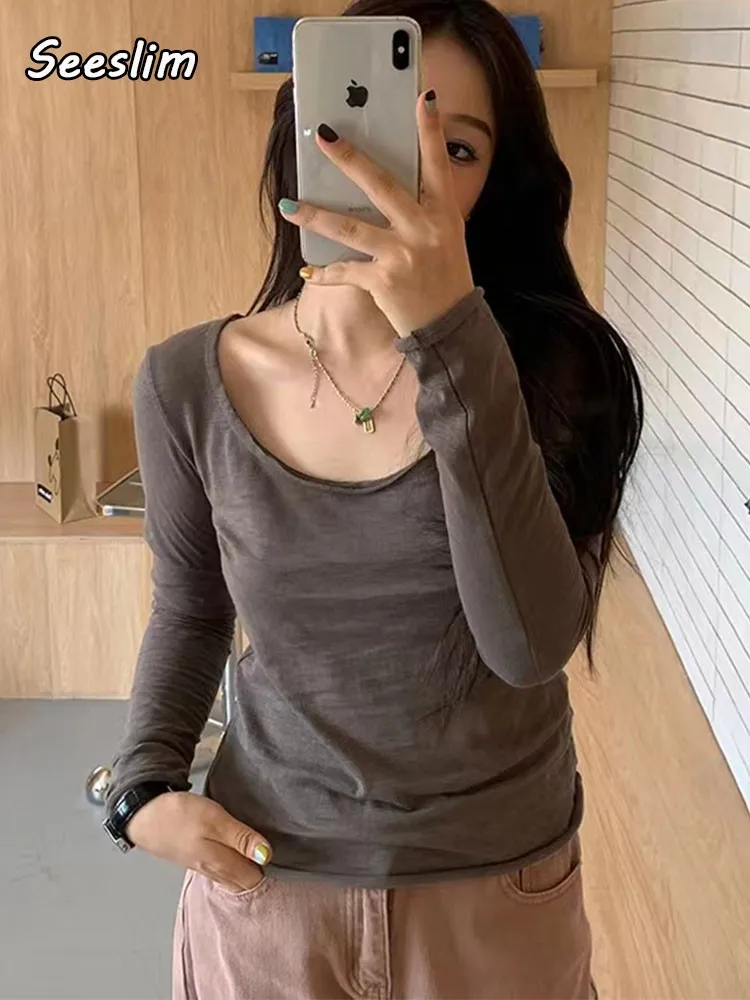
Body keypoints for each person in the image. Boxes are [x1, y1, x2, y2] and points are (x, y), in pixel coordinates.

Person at [105, 1, 643, 997]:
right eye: (380, 126)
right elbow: (191, 605)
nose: (407, 174)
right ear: (303, 137)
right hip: (268, 889)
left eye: (459, 148)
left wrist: (451, 336)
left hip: (494, 895)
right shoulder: (185, 382)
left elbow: (528, 645)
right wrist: (141, 787)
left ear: (497, 182)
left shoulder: (553, 372)